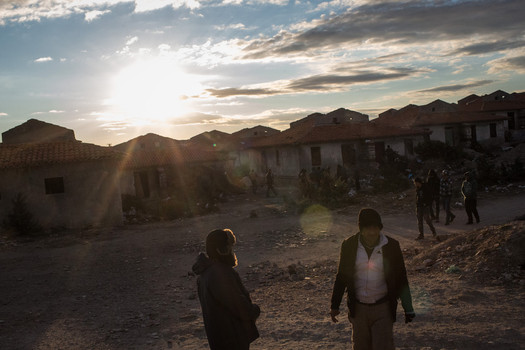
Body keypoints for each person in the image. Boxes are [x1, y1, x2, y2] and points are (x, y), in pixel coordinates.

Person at [330, 208, 415, 350]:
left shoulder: (392, 246)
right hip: (358, 309)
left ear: (379, 228)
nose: (372, 232)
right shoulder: (349, 245)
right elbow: (342, 277)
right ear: (361, 229)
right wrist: (334, 305)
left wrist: (408, 308)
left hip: (383, 308)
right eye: (367, 228)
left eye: (375, 228)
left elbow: (401, 277)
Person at [192, 229, 260, 350]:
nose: (232, 251)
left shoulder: (205, 273)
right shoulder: (219, 273)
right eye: (229, 246)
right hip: (231, 338)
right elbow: (238, 305)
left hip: (218, 337)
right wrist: (254, 310)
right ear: (222, 250)